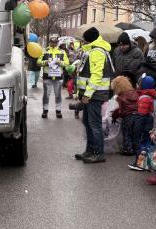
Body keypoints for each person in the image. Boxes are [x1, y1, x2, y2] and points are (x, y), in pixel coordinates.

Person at [74, 27, 114, 163]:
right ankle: (90, 150)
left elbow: (96, 76)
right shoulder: (93, 50)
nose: (83, 41)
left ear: (89, 39)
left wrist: (87, 94)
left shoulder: (97, 52)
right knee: (88, 122)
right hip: (91, 93)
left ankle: (98, 153)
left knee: (94, 124)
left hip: (94, 94)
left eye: (84, 39)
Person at [37, 35, 70, 118]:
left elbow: (67, 63)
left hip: (58, 77)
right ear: (49, 42)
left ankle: (58, 111)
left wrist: (60, 62)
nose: (54, 44)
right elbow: (38, 62)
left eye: (55, 42)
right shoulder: (44, 51)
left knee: (58, 94)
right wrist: (46, 62)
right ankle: (45, 110)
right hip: (47, 76)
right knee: (46, 95)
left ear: (57, 43)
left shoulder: (62, 52)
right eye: (52, 42)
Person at [128, 75, 156, 171]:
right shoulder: (151, 96)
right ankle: (149, 164)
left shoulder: (144, 98)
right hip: (150, 123)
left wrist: (136, 129)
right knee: (149, 144)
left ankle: (140, 164)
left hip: (145, 125)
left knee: (142, 144)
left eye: (139, 83)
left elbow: (141, 115)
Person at [110, 76, 138, 156]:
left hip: (127, 117)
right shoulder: (135, 93)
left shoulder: (120, 97)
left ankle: (128, 149)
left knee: (127, 133)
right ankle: (135, 149)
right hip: (138, 116)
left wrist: (114, 117)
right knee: (135, 133)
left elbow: (118, 110)